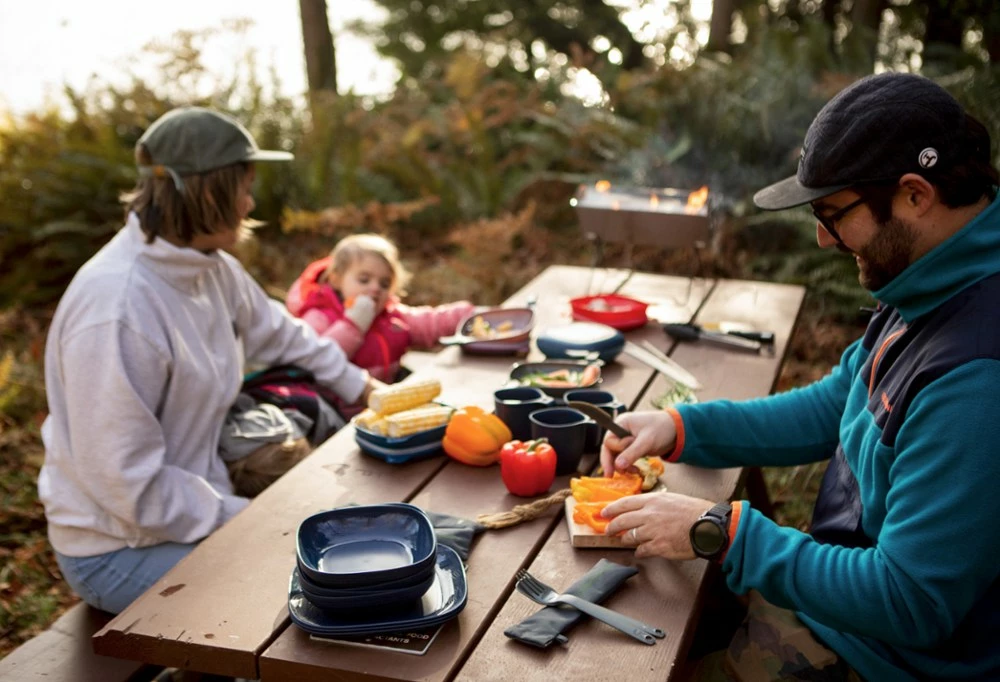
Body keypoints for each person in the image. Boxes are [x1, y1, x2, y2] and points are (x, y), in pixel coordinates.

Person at [600, 72, 1000, 681]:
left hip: (892, 658)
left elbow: (912, 602)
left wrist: (724, 533)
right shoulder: (931, 277)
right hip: (842, 607)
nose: (822, 238)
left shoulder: (977, 380)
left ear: (914, 195)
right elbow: (833, 406)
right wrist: (679, 425)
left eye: (834, 214)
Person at [37, 107, 384, 614]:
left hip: (195, 510)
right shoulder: (117, 309)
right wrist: (249, 518)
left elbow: (283, 334)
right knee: (322, 587)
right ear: (205, 192)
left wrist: (366, 388)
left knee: (355, 546)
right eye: (243, 187)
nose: (250, 202)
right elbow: (127, 485)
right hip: (120, 548)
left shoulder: (210, 268)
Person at [285, 233, 474, 413]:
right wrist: (354, 325)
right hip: (337, 414)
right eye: (364, 280)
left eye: (384, 284)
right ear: (336, 279)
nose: (375, 288)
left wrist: (472, 314)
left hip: (383, 408)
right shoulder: (318, 316)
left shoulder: (391, 316)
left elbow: (430, 323)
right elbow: (316, 360)